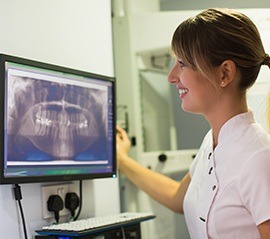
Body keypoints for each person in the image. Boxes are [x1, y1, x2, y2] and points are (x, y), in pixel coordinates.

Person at [116, 8, 270, 239]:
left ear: (225, 73)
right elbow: (177, 197)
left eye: (183, 63)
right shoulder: (212, 141)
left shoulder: (258, 158)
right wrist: (122, 161)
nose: (171, 76)